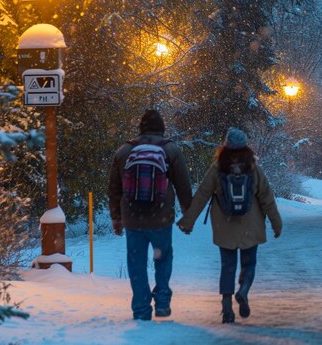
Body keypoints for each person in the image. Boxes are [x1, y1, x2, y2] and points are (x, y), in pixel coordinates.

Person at [179, 127, 282, 324]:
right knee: (249, 263)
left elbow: (202, 195)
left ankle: (226, 306)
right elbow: (267, 198)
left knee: (227, 265)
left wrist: (188, 221)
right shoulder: (253, 168)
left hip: (224, 225)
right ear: (245, 146)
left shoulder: (219, 168)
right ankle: (243, 290)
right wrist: (276, 223)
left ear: (225, 145)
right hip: (250, 226)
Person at [108, 109, 192, 321]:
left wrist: (116, 218)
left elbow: (114, 189)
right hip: (160, 217)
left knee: (136, 263)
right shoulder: (170, 150)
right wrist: (188, 215)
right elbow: (183, 185)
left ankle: (141, 309)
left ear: (140, 128)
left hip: (132, 218)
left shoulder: (124, 151)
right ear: (162, 129)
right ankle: (162, 301)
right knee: (162, 258)